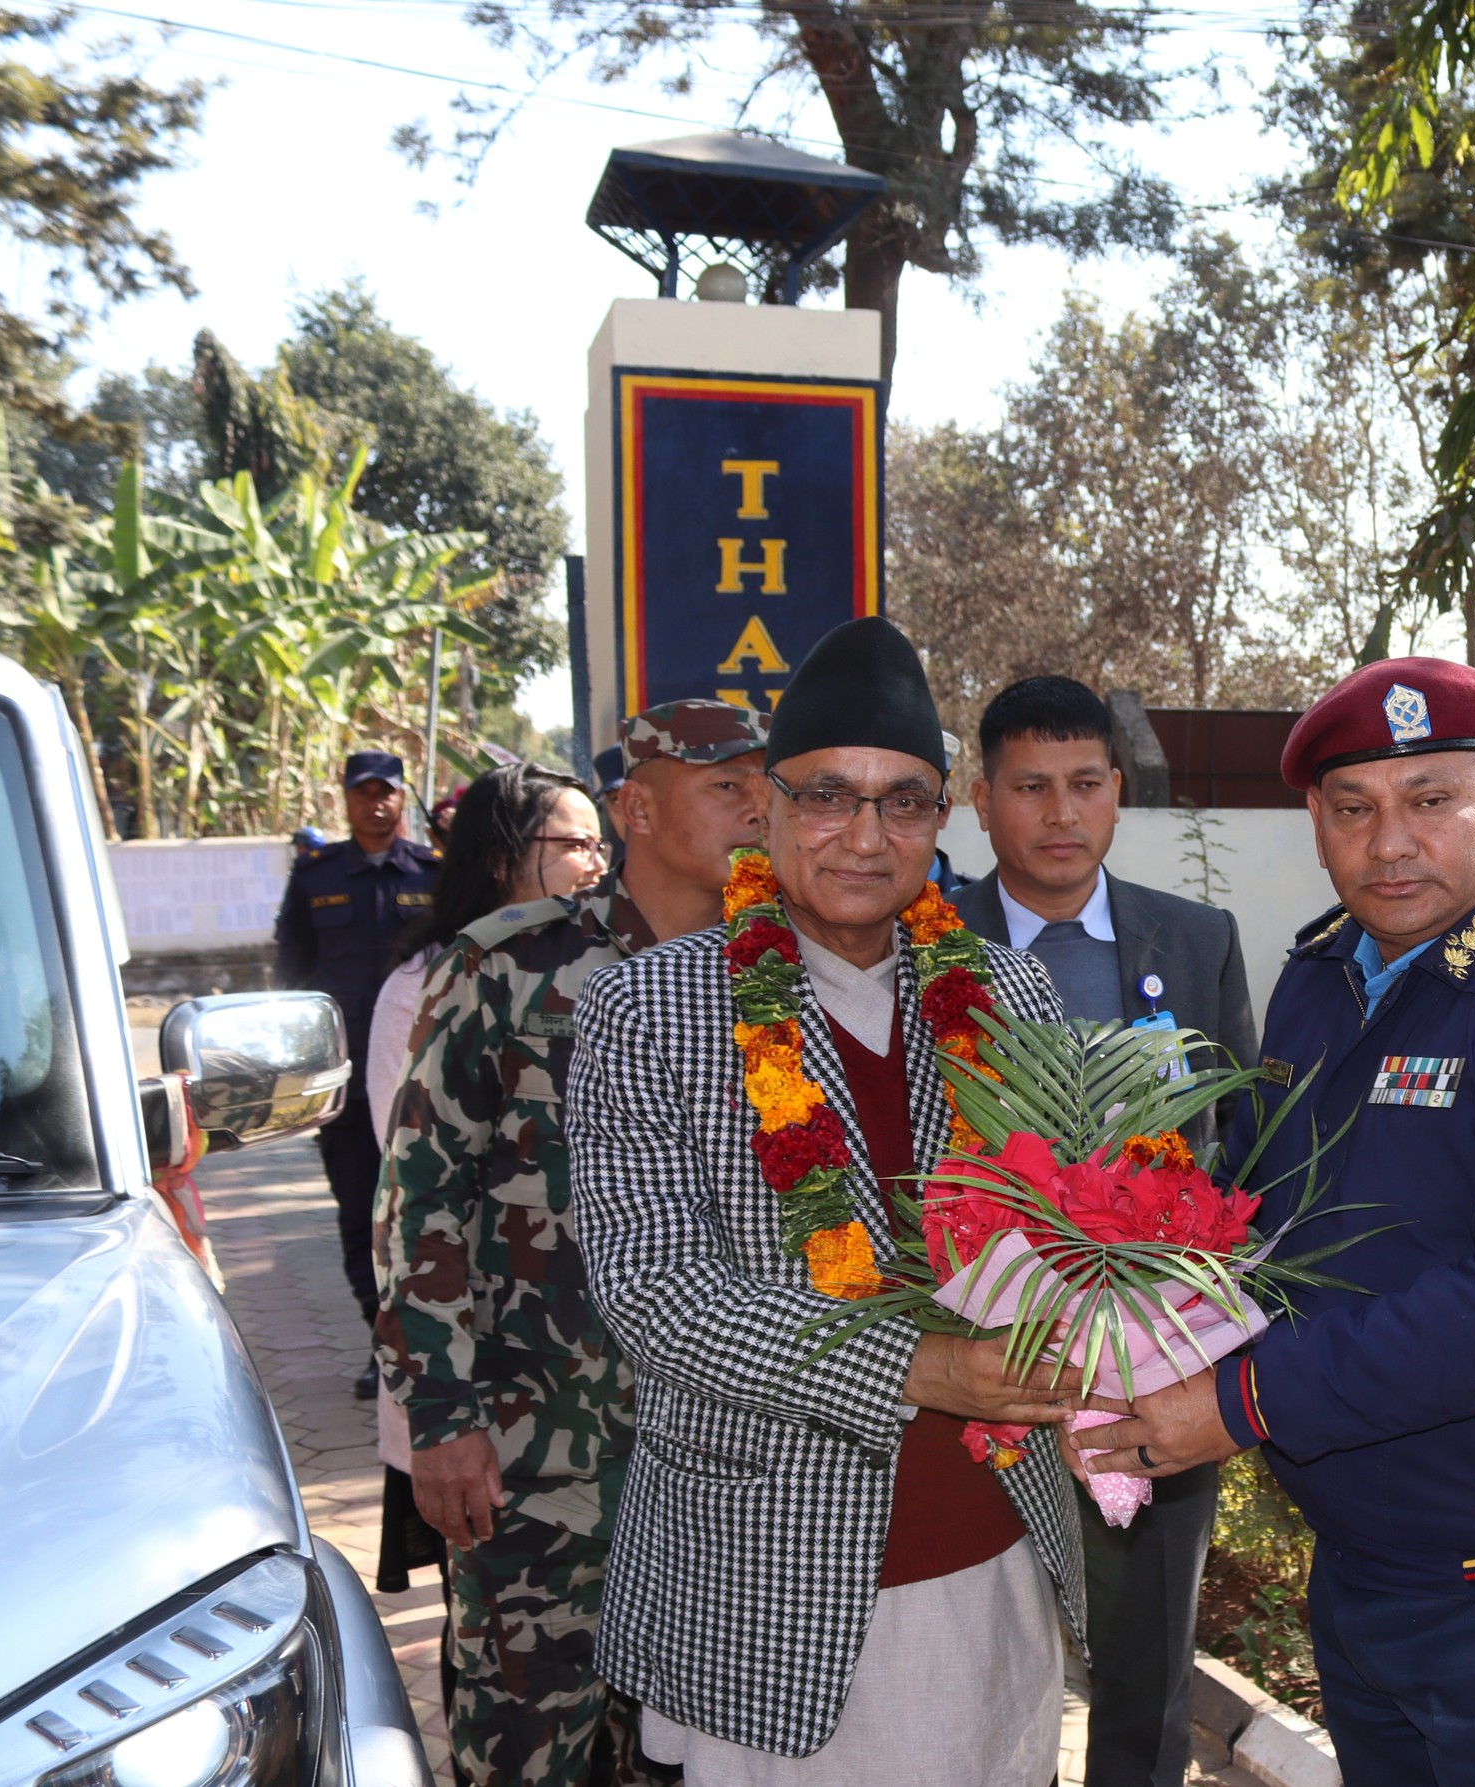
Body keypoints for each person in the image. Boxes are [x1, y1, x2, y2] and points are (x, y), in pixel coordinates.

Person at [1069, 658, 1475, 1787]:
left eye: (1430, 799)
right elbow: (1275, 1219)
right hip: (1369, 1560)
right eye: (1351, 808)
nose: (1387, 843)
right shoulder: (1325, 973)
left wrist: (1236, 1399)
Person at [570, 618, 1083, 1787]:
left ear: (939, 818)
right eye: (826, 796)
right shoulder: (648, 1009)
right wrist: (921, 1368)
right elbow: (656, 1293)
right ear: (768, 805)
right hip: (762, 1572)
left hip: (989, 1545)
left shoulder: (1008, 990)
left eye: (902, 801)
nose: (864, 835)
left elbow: (1064, 1227)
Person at [375, 704, 769, 1787]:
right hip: (537, 1455)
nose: (756, 806)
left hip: (716, 1462)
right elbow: (422, 1193)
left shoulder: (778, 978)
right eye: (722, 785)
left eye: (761, 784)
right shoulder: (513, 966)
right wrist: (444, 1417)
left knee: (686, 1759)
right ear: (636, 808)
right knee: (528, 1753)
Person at [953, 673, 1257, 1787]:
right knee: (983, 1664)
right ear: (979, 801)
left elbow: (1240, 1146)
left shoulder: (1195, 937)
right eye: (1028, 786)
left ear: (1116, 793)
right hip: (981, 1370)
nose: (1059, 812)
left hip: (1156, 1373)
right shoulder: (922, 948)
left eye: (1083, 783)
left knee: (1144, 1675)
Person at [274, 747, 438, 1395]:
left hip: (418, 1076)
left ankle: (425, 1336)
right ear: (344, 799)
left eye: (387, 792)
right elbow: (291, 975)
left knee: (422, 1209)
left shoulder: (434, 872)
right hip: (344, 1079)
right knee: (358, 1213)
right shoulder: (314, 877)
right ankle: (381, 1339)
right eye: (363, 792)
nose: (376, 803)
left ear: (402, 797)